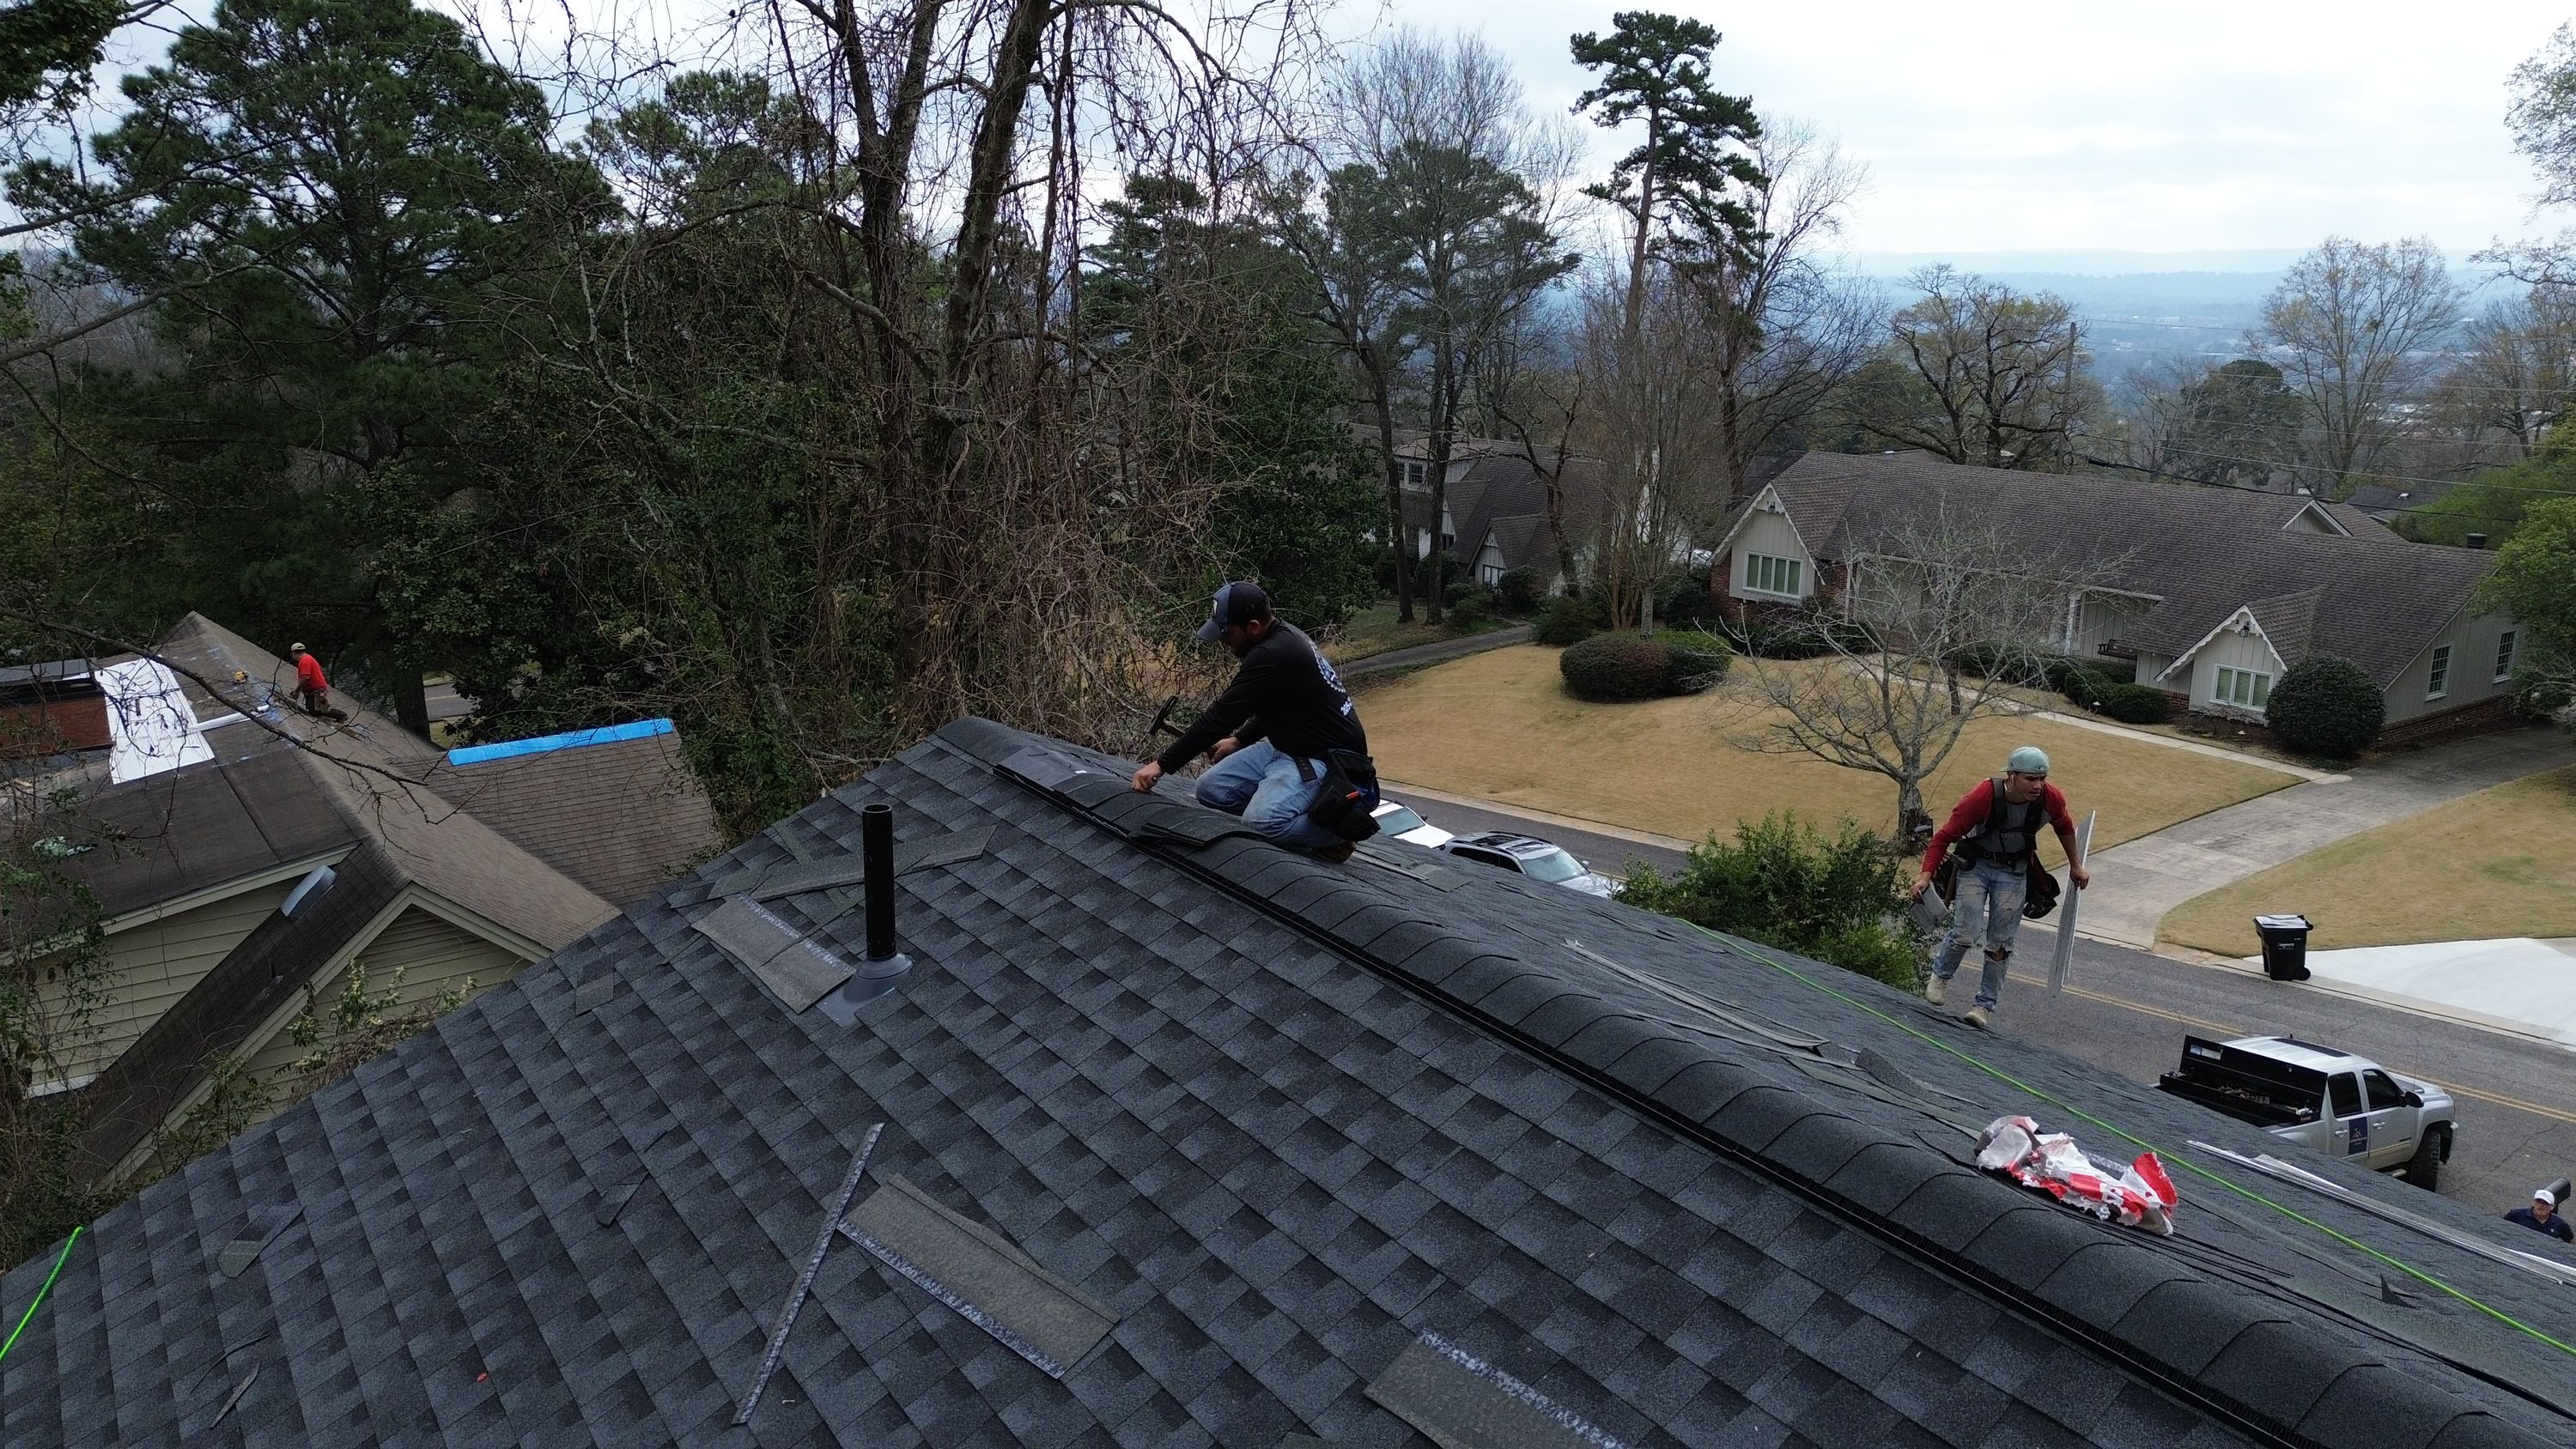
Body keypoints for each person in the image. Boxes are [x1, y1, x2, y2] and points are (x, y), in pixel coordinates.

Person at [1131, 581, 1371, 859]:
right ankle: (1287, 810)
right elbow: (1274, 702)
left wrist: (1161, 765)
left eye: (1227, 633)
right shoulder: (1282, 638)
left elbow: (1220, 718)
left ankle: (1337, 834)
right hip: (1288, 746)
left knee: (1262, 823)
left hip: (1327, 760)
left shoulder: (1272, 654)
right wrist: (1239, 740)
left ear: (1253, 627)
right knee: (1211, 791)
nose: (1224, 641)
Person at [1909, 745, 2092, 1029]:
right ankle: (1940, 976)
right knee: (1965, 932)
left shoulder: (2050, 799)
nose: (2038, 785)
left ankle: (1984, 1006)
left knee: (2001, 943)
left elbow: (2065, 827)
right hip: (1975, 867)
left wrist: (2075, 865)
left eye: (2042, 778)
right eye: (2031, 779)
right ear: (2012, 775)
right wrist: (1925, 876)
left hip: (2014, 871)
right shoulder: (1983, 796)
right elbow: (1944, 836)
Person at [289, 644, 347, 722]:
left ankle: (341, 715)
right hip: (316, 689)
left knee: (320, 710)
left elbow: (305, 678)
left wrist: (297, 691)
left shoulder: (304, 661)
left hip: (317, 690)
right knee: (313, 710)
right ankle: (336, 717)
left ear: (294, 653)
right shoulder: (308, 658)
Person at [2506, 1187, 2575, 1243]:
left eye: (2546, 1203)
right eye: (2539, 1201)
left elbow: (2572, 1243)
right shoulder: (2516, 1214)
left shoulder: (2560, 1224)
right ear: (2534, 1202)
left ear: (2552, 1207)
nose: (2541, 1205)